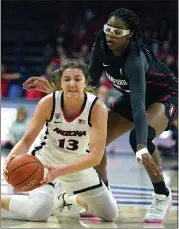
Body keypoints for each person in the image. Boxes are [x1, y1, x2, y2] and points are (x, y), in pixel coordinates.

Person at [22, 8, 178, 223]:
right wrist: (54, 90)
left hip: (163, 96)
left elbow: (139, 107)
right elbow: (89, 87)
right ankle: (103, 194)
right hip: (133, 96)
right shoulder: (100, 46)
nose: (111, 34)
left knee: (139, 140)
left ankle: (162, 194)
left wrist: (142, 144)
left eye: (118, 31)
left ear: (130, 34)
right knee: (97, 140)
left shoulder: (135, 60)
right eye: (108, 29)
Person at [1, 59, 118, 222]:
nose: (72, 83)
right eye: (67, 79)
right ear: (60, 83)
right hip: (45, 160)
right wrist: (10, 159)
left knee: (110, 215)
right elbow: (27, 140)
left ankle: (68, 198)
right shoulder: (48, 103)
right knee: (38, 213)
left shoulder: (97, 108)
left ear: (85, 82)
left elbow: (96, 156)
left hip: (78, 163)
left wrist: (61, 171)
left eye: (77, 79)